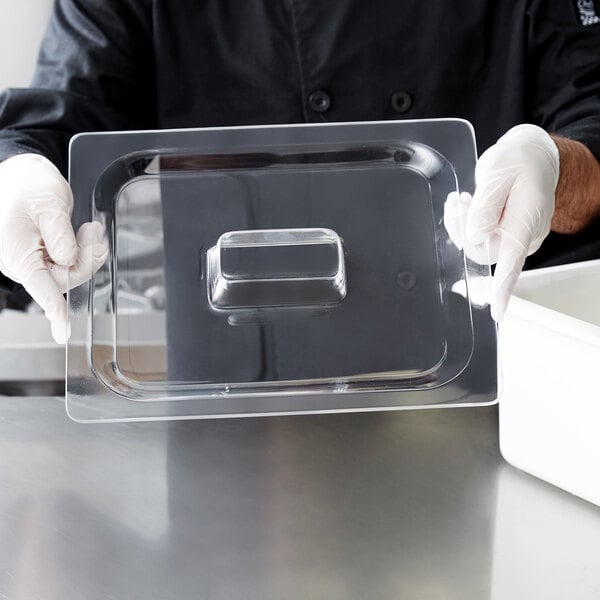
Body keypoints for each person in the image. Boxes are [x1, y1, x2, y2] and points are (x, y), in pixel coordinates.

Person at [0, 0, 599, 343]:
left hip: (495, 370)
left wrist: (553, 164)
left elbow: (591, 113)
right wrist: (17, 172)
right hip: (232, 391)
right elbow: (60, 119)